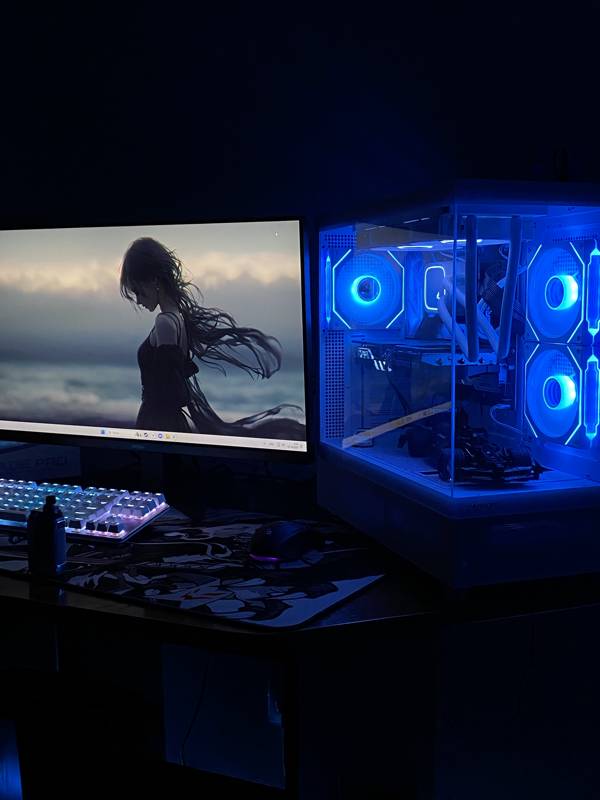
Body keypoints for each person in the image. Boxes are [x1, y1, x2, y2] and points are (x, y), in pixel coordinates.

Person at [120, 237, 305, 439]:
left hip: (157, 423)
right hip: (167, 421)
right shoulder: (178, 319)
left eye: (138, 291)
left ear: (154, 280)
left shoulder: (164, 322)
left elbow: (172, 391)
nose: (138, 300)